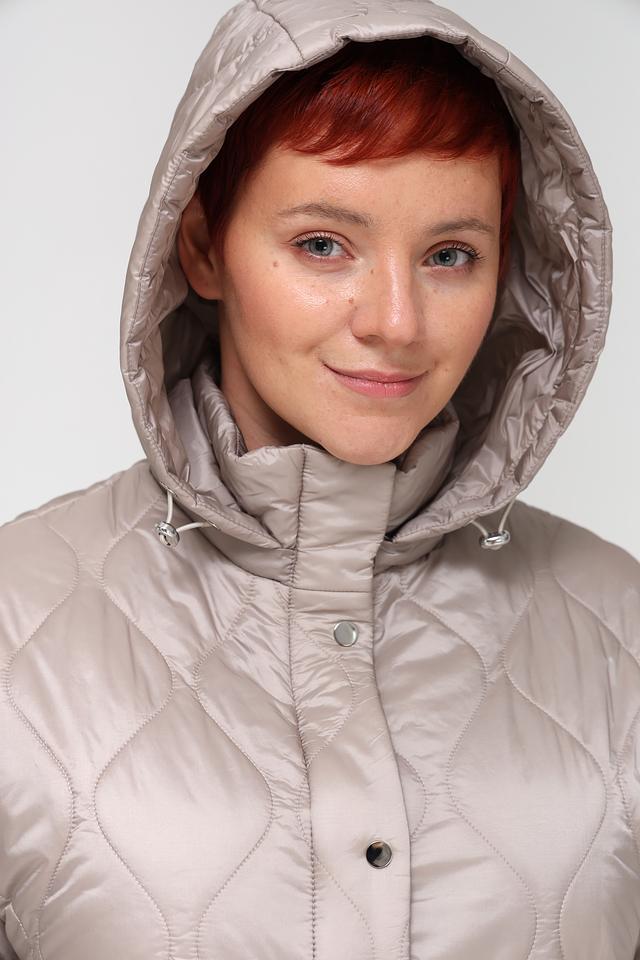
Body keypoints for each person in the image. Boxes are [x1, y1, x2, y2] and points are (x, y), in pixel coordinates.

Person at [0, 1, 638, 958]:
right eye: (323, 245)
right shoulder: (15, 624)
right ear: (204, 246)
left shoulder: (622, 630)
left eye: (450, 255)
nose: (396, 321)